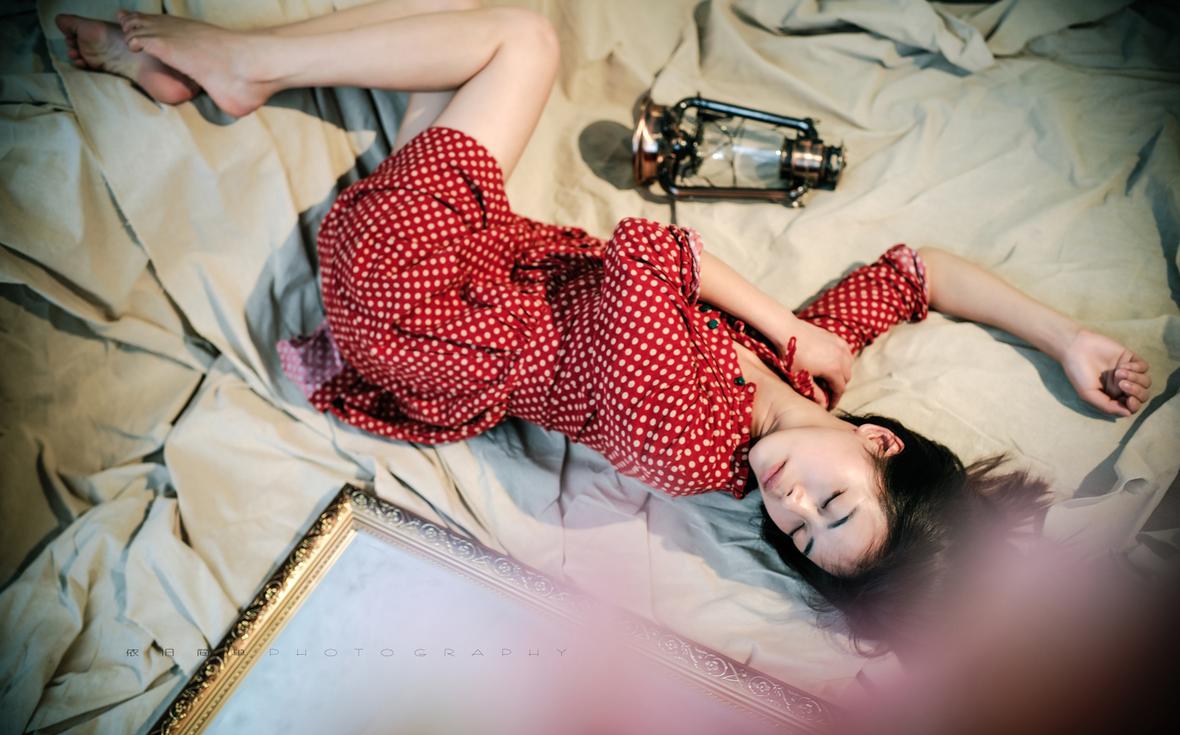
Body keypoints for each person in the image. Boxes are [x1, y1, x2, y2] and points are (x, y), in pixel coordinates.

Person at [55, 1, 1153, 652]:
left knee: (522, 41)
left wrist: (785, 322)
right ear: (877, 442)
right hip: (489, 266)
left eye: (801, 540)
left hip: (419, 306)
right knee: (466, 42)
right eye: (832, 504)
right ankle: (236, 68)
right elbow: (922, 275)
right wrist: (1066, 340)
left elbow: (642, 251)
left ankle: (243, 64)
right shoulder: (809, 377)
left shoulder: (692, 444)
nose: (787, 507)